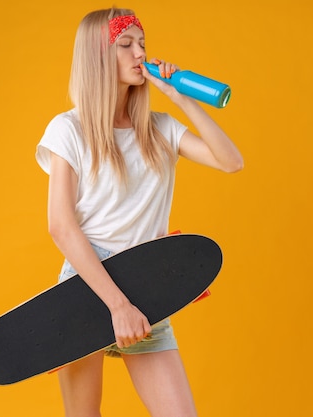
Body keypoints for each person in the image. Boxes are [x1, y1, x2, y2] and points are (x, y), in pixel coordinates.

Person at [35, 7, 243, 417]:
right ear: (97, 56)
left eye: (143, 44)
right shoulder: (69, 129)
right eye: (125, 45)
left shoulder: (160, 129)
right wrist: (117, 305)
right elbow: (61, 226)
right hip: (86, 287)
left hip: (147, 286)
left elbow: (231, 161)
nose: (139, 54)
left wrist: (180, 98)